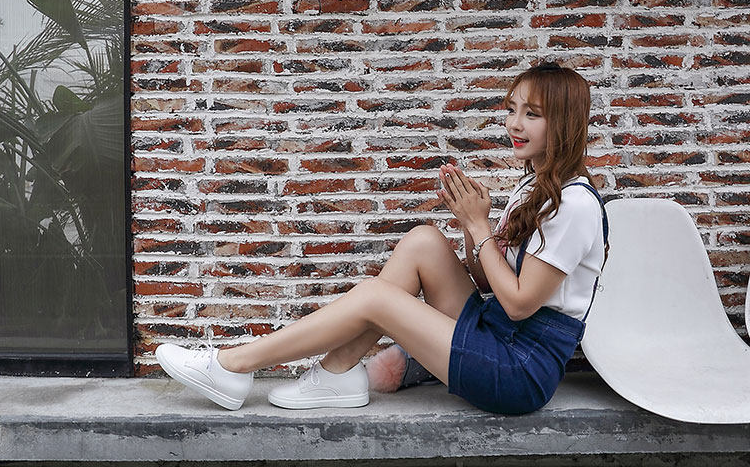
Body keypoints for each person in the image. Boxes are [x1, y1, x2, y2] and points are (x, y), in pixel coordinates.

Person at [155, 62, 608, 415]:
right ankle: (337, 373)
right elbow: (488, 282)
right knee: (424, 241)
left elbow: (520, 304)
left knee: (375, 296)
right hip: (498, 333)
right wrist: (471, 227)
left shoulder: (575, 205)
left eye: (532, 115)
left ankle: (233, 366)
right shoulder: (534, 187)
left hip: (518, 370)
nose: (514, 124)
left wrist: (479, 227)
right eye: (511, 109)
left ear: (564, 124)